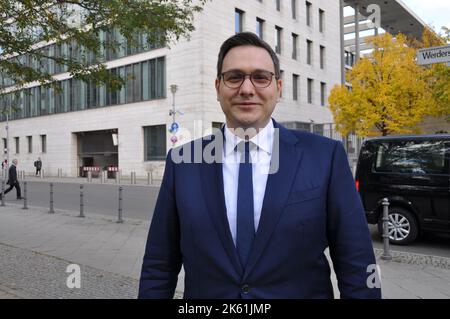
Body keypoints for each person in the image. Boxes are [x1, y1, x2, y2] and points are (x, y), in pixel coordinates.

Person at [138, 32, 381, 299]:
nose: (246, 89)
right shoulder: (183, 162)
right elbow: (159, 265)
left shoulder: (325, 156)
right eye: (234, 77)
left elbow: (357, 265)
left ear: (278, 87)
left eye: (260, 77)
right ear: (218, 87)